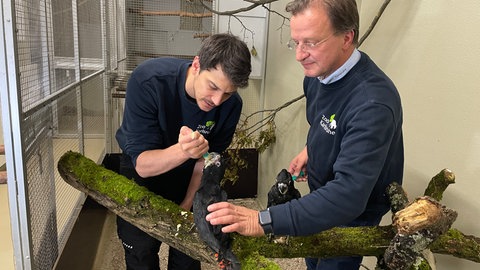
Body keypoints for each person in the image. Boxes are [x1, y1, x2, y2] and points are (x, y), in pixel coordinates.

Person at [205, 0, 404, 269]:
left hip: (351, 212)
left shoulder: (373, 103)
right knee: (311, 255)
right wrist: (311, 150)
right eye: (295, 42)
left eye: (310, 42)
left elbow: (349, 196)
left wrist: (263, 220)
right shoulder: (316, 75)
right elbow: (321, 121)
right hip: (320, 193)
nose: (299, 55)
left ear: (347, 38)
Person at [115, 33, 251, 270]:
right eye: (213, 87)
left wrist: (188, 206)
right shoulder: (149, 80)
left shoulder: (231, 105)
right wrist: (183, 151)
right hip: (142, 172)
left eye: (227, 93)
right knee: (141, 253)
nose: (217, 100)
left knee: (188, 253)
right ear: (197, 65)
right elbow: (143, 166)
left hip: (189, 176)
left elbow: (206, 163)